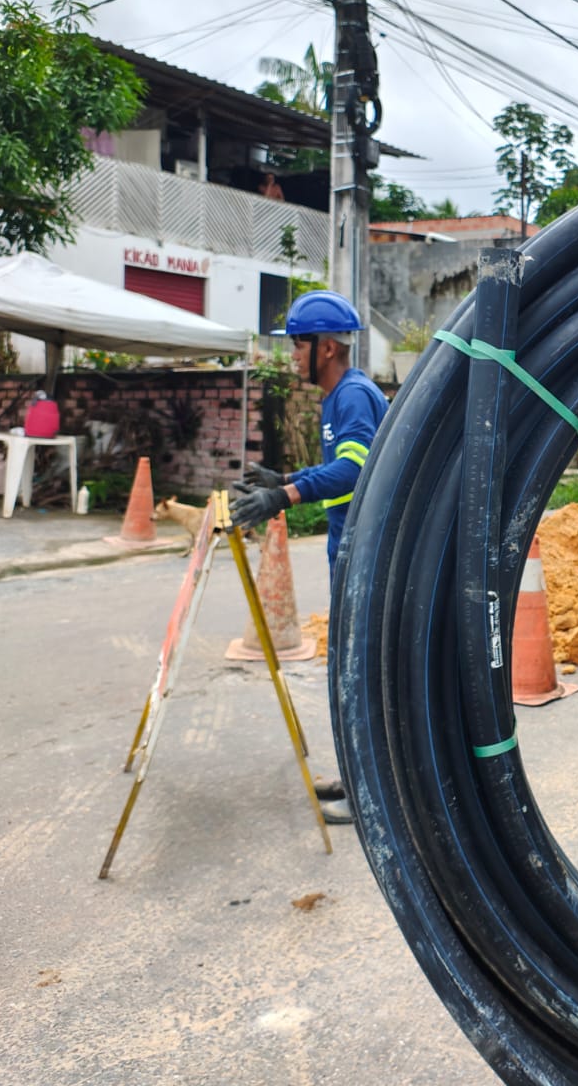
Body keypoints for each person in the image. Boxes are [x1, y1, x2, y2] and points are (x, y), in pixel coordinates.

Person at [231, 290, 389, 826]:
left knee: (360, 672)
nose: (290, 355)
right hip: (348, 547)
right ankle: (357, 774)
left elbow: (356, 468)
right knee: (351, 669)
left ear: (324, 347)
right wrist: (287, 479)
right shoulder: (339, 396)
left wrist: (283, 498)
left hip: (365, 553)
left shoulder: (352, 395)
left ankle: (371, 794)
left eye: (297, 345)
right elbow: (342, 470)